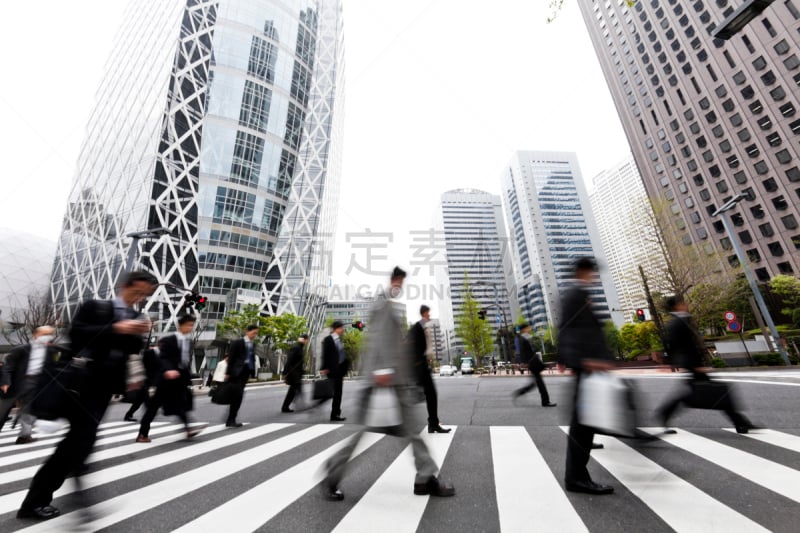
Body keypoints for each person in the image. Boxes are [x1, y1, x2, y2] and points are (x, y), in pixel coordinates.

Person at [17, 270, 156, 521]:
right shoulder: (95, 307)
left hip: (102, 391)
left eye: (144, 295)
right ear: (124, 286)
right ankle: (62, 501)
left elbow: (129, 351)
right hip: (78, 384)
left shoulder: (136, 316)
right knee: (80, 444)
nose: (139, 298)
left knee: (78, 445)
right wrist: (117, 327)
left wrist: (139, 334)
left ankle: (46, 499)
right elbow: (76, 335)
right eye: (137, 292)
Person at [323, 267, 455, 501]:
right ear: (394, 280)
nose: (400, 287)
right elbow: (379, 339)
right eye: (399, 282)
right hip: (384, 382)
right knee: (374, 432)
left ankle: (425, 478)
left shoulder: (385, 304)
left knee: (411, 431)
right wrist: (382, 371)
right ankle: (333, 472)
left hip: (389, 382)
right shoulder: (383, 303)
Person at [656, 295, 756, 434]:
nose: (686, 305)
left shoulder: (683, 319)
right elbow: (675, 345)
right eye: (682, 303)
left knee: (713, 392)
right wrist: (694, 364)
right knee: (715, 392)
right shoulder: (676, 323)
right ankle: (740, 422)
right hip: (692, 364)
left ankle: (740, 423)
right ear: (676, 306)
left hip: (693, 363)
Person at [557, 257, 615, 496]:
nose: (593, 276)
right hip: (586, 366)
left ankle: (576, 476)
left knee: (584, 421)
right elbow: (569, 328)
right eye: (591, 272)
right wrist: (584, 360)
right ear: (583, 271)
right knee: (582, 423)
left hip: (588, 365)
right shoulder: (575, 294)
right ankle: (576, 477)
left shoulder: (577, 293)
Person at [136, 315, 203, 442]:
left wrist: (187, 377)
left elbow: (185, 361)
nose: (190, 327)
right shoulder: (168, 340)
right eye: (188, 325)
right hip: (165, 381)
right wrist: (168, 370)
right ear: (180, 325)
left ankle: (188, 430)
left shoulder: (188, 341)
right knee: (153, 408)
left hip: (179, 380)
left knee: (181, 405)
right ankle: (142, 434)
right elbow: (163, 358)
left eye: (192, 325)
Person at [0, 326, 61, 443]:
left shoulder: (51, 351)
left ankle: (24, 436)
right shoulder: (21, 349)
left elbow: (55, 367)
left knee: (28, 410)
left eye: (49, 334)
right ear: (35, 335)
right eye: (44, 334)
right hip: (16, 383)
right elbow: (8, 367)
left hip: (36, 383)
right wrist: (5, 382)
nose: (47, 337)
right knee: (2, 410)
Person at [408, 305, 450, 433]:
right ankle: (432, 424)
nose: (429, 315)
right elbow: (410, 345)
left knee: (429, 394)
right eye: (428, 313)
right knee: (429, 394)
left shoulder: (424, 327)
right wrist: (416, 364)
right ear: (424, 313)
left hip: (423, 364)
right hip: (420, 365)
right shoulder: (417, 327)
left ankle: (433, 423)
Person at [511, 323, 556, 407]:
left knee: (535, 383)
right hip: (531, 363)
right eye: (528, 328)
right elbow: (521, 352)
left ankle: (520, 392)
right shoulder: (522, 339)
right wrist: (524, 363)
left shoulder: (526, 337)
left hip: (533, 362)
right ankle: (545, 401)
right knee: (539, 382)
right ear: (523, 329)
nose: (529, 329)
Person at [224, 325, 259, 428]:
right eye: (253, 333)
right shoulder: (237, 343)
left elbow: (252, 358)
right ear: (247, 332)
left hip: (245, 373)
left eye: (256, 333)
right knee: (238, 396)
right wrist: (228, 372)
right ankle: (231, 419)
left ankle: (231, 419)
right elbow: (231, 358)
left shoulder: (253, 344)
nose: (255, 335)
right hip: (236, 373)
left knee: (237, 396)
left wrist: (253, 372)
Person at [122, 344, 159, 422]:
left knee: (139, 400)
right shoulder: (134, 356)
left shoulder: (142, 354)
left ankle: (129, 415)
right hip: (141, 380)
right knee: (145, 399)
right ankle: (148, 414)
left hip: (143, 380)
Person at [321, 320, 349, 422]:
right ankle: (335, 414)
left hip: (339, 371)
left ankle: (335, 413)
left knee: (337, 393)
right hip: (332, 370)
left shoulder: (339, 340)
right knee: (335, 392)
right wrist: (324, 368)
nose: (343, 330)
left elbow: (341, 355)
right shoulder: (328, 339)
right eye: (341, 328)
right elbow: (324, 354)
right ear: (336, 329)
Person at [281, 334, 309, 413]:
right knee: (298, 389)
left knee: (292, 391)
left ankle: (285, 407)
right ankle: (302, 405)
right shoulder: (296, 347)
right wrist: (285, 372)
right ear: (303, 339)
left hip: (296, 373)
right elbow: (289, 360)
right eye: (306, 340)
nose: (307, 342)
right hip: (294, 374)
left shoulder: (300, 347)